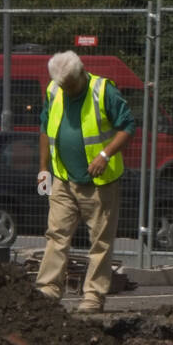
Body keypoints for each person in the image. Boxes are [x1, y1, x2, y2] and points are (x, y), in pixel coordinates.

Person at [34, 50, 136, 312]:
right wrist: (43, 168)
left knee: (100, 241)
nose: (67, 90)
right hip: (64, 179)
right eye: (63, 85)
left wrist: (105, 154)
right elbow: (45, 128)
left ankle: (93, 296)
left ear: (81, 73)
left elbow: (128, 126)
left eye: (70, 85)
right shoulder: (54, 91)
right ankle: (48, 288)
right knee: (56, 235)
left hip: (100, 184)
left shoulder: (103, 92)